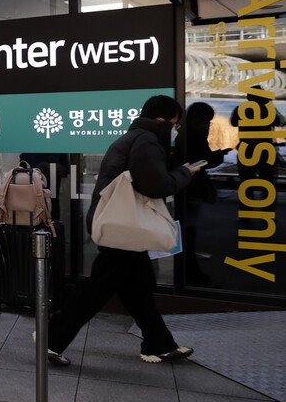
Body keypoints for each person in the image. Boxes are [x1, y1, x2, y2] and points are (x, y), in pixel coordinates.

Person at [46, 95, 199, 366]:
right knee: (97, 290)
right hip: (122, 225)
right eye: (175, 124)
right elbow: (156, 185)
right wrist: (185, 173)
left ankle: (159, 344)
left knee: (138, 288)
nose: (176, 131)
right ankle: (51, 339)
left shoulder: (136, 137)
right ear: (163, 120)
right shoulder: (147, 141)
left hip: (119, 222)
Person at [175, 102, 230, 286]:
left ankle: (186, 273)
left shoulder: (181, 131)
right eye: (207, 121)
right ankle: (191, 276)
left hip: (183, 188)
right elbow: (201, 160)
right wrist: (219, 155)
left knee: (185, 234)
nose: (208, 125)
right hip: (190, 189)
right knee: (188, 235)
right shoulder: (197, 133)